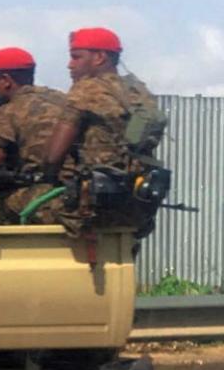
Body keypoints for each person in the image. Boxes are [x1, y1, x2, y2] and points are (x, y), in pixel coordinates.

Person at [44, 27, 167, 237]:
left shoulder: (87, 89)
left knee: (14, 203)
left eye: (76, 57)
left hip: (92, 209)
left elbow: (53, 156)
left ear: (100, 57)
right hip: (138, 207)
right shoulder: (139, 90)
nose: (69, 65)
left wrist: (44, 175)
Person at [0, 47, 70, 225]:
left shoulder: (9, 110)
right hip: (76, 192)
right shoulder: (63, 99)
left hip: (43, 196)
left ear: (6, 81)